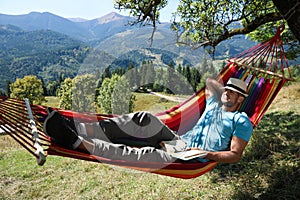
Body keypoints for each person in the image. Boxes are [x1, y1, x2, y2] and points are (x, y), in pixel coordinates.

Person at [44, 78, 253, 163]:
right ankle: (79, 127)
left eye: (233, 93)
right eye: (226, 90)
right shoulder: (214, 104)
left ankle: (75, 141)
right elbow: (209, 83)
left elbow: (235, 155)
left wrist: (208, 154)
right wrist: (232, 76)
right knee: (143, 118)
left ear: (241, 99)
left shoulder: (241, 120)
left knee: (140, 155)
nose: (227, 93)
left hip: (194, 156)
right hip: (180, 142)